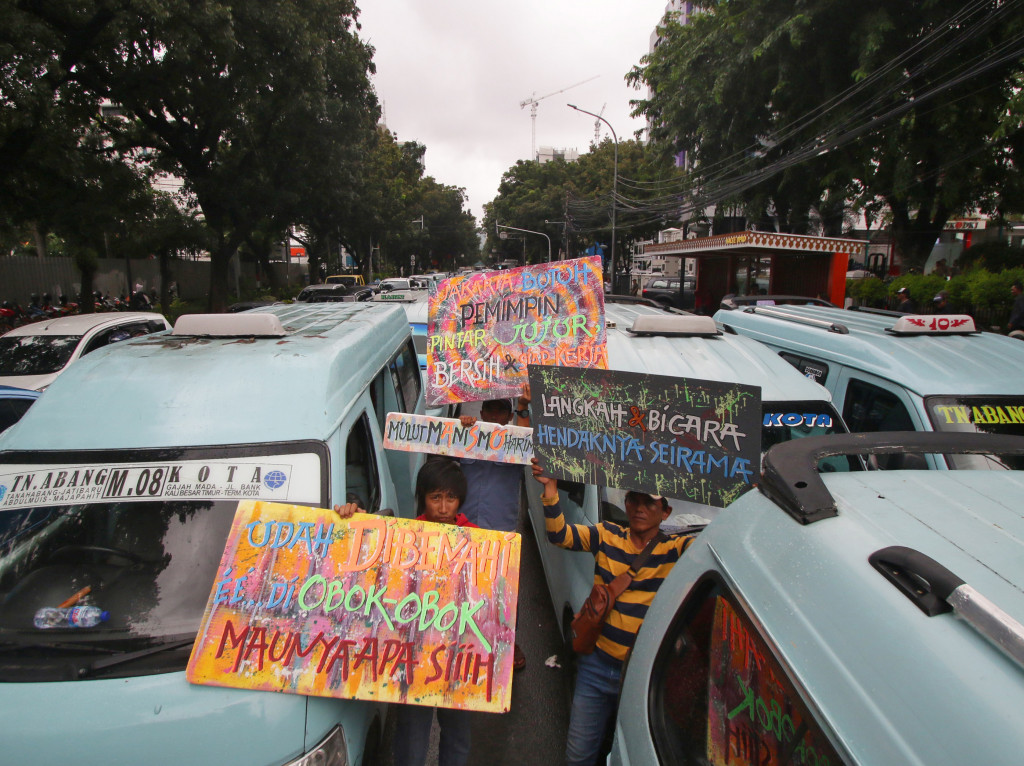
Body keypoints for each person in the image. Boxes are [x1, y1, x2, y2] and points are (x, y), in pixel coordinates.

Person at [530, 458, 696, 766]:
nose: (639, 507)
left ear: (666, 512)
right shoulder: (607, 534)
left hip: (639, 679)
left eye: (650, 502)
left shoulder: (676, 550)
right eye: (633, 499)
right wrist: (551, 489)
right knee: (578, 756)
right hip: (594, 666)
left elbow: (719, 546)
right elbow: (560, 535)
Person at [335, 457, 476, 766]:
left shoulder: (478, 540)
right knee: (411, 740)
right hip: (414, 656)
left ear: (460, 501)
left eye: (450, 498)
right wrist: (353, 518)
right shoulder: (406, 536)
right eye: (435, 497)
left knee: (457, 740)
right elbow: (369, 553)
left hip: (459, 656)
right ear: (423, 499)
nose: (442, 507)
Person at [457, 387, 531, 669]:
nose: (496, 415)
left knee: (502, 591)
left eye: (503, 410)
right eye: (492, 409)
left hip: (501, 531)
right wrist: (463, 427)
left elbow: (527, 437)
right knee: (464, 587)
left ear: (509, 416)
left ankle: (507, 640)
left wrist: (524, 405)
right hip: (465, 527)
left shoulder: (516, 441)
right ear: (483, 412)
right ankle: (465, 637)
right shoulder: (467, 436)